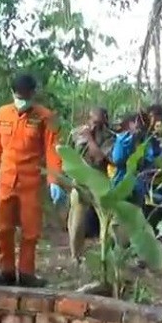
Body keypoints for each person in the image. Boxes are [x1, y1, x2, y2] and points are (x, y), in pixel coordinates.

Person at [0, 74, 65, 287]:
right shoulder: (1, 114)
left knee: (30, 231)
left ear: (33, 94)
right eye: (19, 96)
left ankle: (27, 274)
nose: (22, 100)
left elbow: (52, 151)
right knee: (3, 229)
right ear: (13, 94)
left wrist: (54, 180)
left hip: (31, 183)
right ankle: (7, 271)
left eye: (26, 96)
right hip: (6, 180)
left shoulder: (46, 116)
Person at [68, 107, 113, 262]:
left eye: (100, 123)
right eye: (94, 122)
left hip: (100, 182)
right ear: (88, 119)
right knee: (77, 221)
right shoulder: (76, 133)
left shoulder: (109, 137)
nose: (96, 127)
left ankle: (104, 257)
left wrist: (90, 139)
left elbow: (101, 158)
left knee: (106, 222)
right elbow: (68, 154)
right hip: (80, 181)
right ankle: (75, 256)